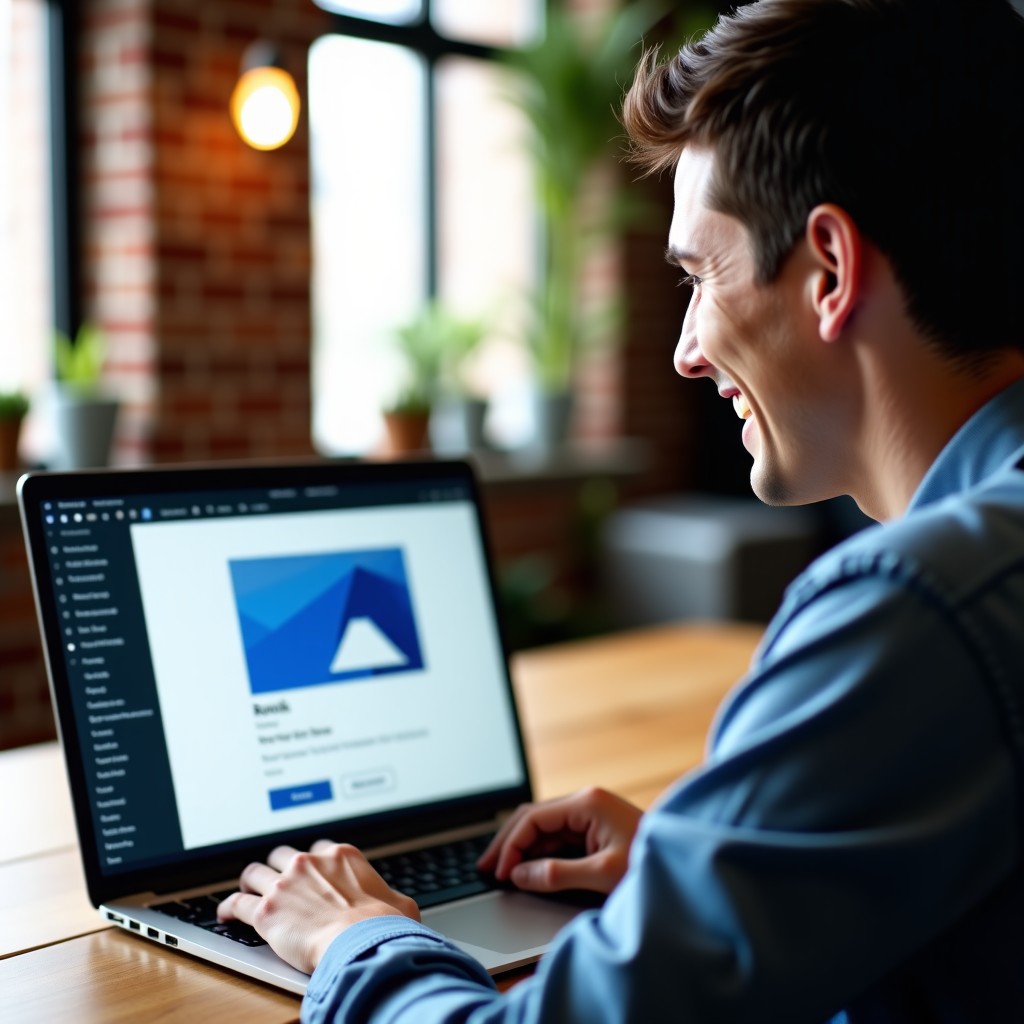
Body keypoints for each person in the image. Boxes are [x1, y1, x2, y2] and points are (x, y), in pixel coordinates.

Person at [218, 0, 1024, 1019]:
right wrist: (714, 873)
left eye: (700, 273)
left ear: (828, 268)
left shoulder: (914, 609)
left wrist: (356, 935)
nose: (687, 349)